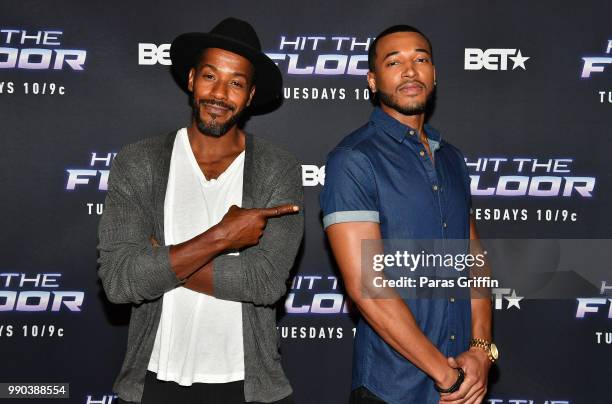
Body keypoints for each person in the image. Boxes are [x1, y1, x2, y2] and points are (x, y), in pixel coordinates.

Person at [97, 17, 303, 404]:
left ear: (251, 94)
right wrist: (222, 238)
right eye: (211, 76)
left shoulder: (279, 167)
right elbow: (121, 281)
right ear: (191, 79)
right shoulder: (139, 161)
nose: (220, 93)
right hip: (154, 380)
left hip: (248, 384)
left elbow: (265, 282)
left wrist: (160, 259)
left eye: (236, 83)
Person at [320, 25, 497, 403]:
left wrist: (481, 350)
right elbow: (368, 287)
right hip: (393, 388)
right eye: (394, 62)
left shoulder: (452, 159)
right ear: (372, 80)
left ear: (434, 74)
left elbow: (473, 259)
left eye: (420, 59)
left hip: (465, 383)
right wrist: (446, 375)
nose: (410, 70)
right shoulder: (354, 159)